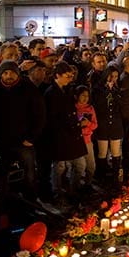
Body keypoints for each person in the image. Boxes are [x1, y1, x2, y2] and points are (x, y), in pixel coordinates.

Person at [0, 60, 46, 201]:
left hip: (24, 141)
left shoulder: (28, 90)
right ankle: (4, 203)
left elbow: (40, 115)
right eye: (5, 73)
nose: (8, 76)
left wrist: (31, 138)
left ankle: (30, 200)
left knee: (29, 172)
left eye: (11, 72)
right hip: (3, 141)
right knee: (2, 174)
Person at [43, 61, 87, 204]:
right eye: (67, 76)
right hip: (60, 135)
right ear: (58, 75)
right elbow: (53, 118)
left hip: (72, 133)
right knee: (59, 166)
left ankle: (73, 189)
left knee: (79, 164)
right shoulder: (51, 93)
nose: (70, 79)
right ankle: (58, 192)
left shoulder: (67, 90)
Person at [92, 65, 124, 187]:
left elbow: (119, 105)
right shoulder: (98, 89)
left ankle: (116, 176)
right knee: (102, 152)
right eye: (112, 77)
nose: (114, 79)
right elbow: (99, 105)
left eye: (116, 77)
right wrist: (108, 91)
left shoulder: (117, 89)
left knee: (116, 151)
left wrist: (115, 92)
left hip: (115, 124)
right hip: (103, 125)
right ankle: (102, 175)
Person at [75, 85, 98, 190]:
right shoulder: (73, 108)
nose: (85, 98)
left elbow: (95, 125)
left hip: (88, 140)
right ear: (77, 96)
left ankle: (87, 185)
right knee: (80, 166)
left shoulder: (90, 108)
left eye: (87, 96)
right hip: (77, 141)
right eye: (83, 95)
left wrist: (88, 123)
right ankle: (75, 187)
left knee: (91, 166)